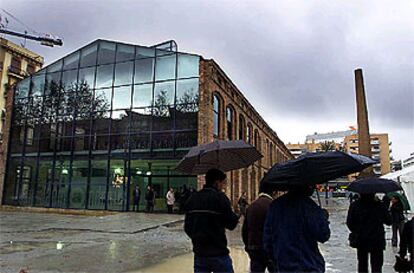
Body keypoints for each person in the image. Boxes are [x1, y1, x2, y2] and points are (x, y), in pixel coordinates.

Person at [263, 185, 330, 273]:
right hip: (309, 266)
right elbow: (323, 235)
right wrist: (323, 217)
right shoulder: (309, 206)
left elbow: (267, 241)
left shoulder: (275, 206)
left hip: (284, 266)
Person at [184, 168, 239, 273]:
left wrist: (197, 237)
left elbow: (187, 227)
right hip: (218, 252)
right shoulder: (220, 198)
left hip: (200, 253)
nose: (223, 187)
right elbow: (231, 224)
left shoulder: (193, 198)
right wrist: (237, 214)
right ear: (217, 183)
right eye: (223, 184)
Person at [346, 193, 392, 273]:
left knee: (362, 265)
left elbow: (350, 222)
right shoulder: (380, 205)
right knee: (377, 266)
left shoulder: (355, 205)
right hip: (377, 239)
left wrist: (357, 231)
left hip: (361, 239)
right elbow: (389, 221)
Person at [242, 184, 274, 273]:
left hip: (254, 248)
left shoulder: (251, 206)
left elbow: (245, 230)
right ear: (273, 192)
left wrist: (248, 246)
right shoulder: (273, 206)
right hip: (269, 249)